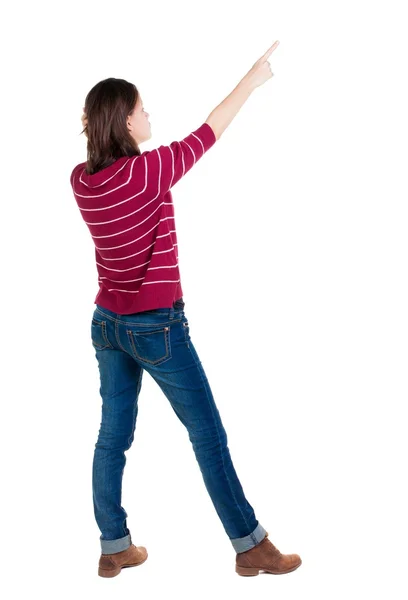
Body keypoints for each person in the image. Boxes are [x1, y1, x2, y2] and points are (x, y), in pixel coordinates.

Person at [70, 40, 302, 579]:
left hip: (108, 325)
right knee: (208, 435)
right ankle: (250, 546)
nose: (149, 114)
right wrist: (252, 80)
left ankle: (113, 546)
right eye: (142, 109)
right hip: (157, 327)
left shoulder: (82, 181)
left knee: (112, 437)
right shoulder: (146, 172)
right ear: (125, 122)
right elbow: (209, 132)